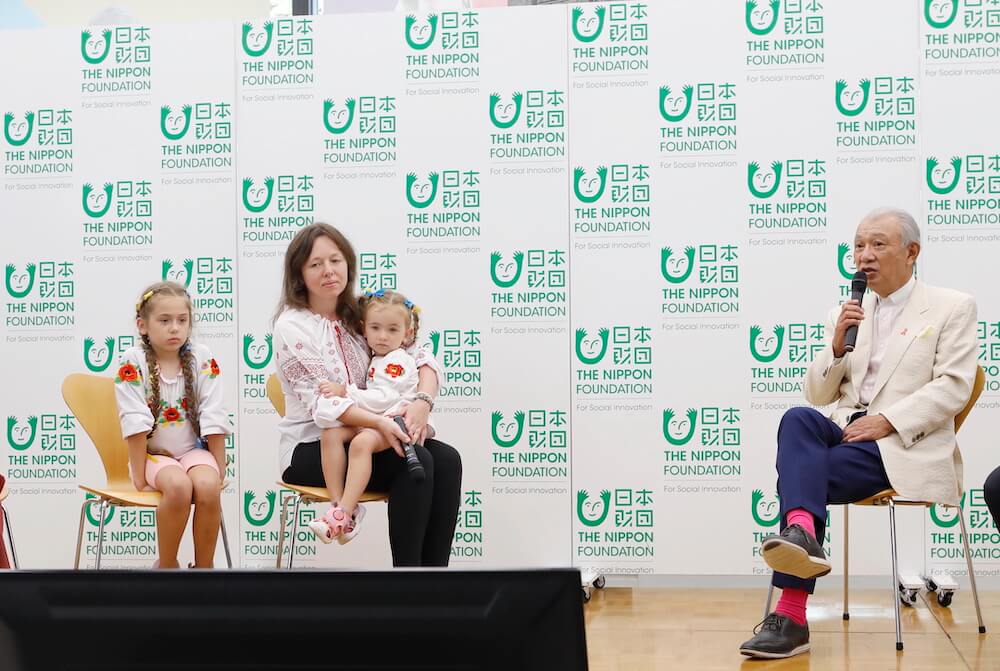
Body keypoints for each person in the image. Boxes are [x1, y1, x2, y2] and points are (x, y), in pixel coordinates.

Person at [740, 208, 978, 659]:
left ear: (912, 252)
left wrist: (888, 421)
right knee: (796, 419)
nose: (864, 256)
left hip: (902, 443)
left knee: (799, 478)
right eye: (858, 246)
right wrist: (835, 344)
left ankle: (791, 612)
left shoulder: (951, 306)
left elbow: (954, 386)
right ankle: (802, 533)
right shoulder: (846, 311)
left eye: (877, 245)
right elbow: (818, 393)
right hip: (845, 431)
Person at [273, 222, 462, 567]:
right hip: (314, 446)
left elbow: (422, 357)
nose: (329, 271)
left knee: (448, 460)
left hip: (370, 430)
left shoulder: (360, 313)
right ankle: (410, 591)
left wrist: (422, 401)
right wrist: (382, 422)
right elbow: (324, 404)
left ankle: (436, 587)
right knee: (416, 462)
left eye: (336, 260)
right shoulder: (292, 327)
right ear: (299, 274)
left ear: (348, 263)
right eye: (316, 264)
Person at [115, 281, 231, 569]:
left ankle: (205, 569)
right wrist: (139, 475)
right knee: (178, 487)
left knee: (206, 486)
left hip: (193, 452)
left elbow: (214, 413)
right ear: (143, 325)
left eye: (182, 320)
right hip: (155, 457)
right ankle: (167, 568)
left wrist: (219, 466)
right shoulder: (133, 361)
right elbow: (134, 421)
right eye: (164, 321)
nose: (174, 328)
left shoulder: (201, 357)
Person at [306, 288, 434, 544]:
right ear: (364, 329)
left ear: (407, 333)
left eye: (392, 330)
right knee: (330, 434)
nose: (383, 336)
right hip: (378, 420)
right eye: (375, 328)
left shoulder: (398, 360)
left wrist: (345, 392)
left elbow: (384, 398)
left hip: (398, 424)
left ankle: (342, 512)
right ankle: (342, 509)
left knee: (361, 443)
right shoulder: (377, 356)